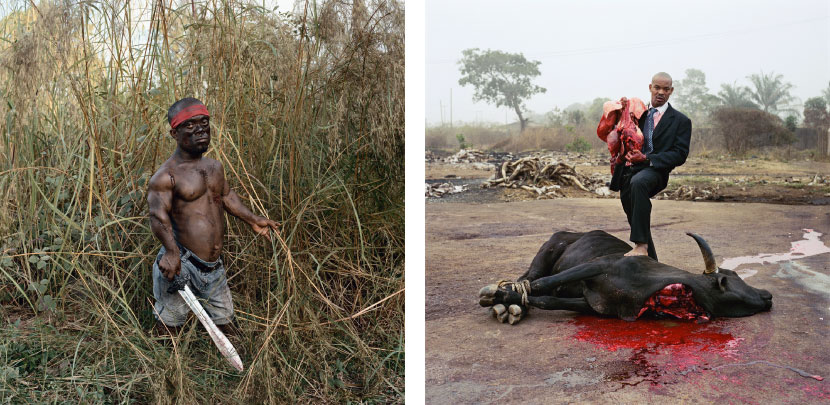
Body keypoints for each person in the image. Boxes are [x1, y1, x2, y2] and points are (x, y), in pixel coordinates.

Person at [147, 97, 279, 335]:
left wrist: (253, 220)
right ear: (174, 133)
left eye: (204, 122)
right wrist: (171, 251)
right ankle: (163, 369)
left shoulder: (214, 167)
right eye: (190, 125)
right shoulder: (166, 176)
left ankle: (234, 367)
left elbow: (227, 196)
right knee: (169, 328)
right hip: (181, 263)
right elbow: (157, 216)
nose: (200, 129)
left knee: (228, 325)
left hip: (213, 267)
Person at [609, 72, 691, 260]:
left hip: (655, 171)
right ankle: (650, 260)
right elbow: (616, 131)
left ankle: (640, 245)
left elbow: (679, 154)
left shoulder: (681, 121)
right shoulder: (637, 114)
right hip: (628, 172)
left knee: (639, 183)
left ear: (671, 91)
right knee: (637, 219)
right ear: (650, 88)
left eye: (665, 89)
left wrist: (646, 158)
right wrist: (618, 110)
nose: (661, 92)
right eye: (657, 87)